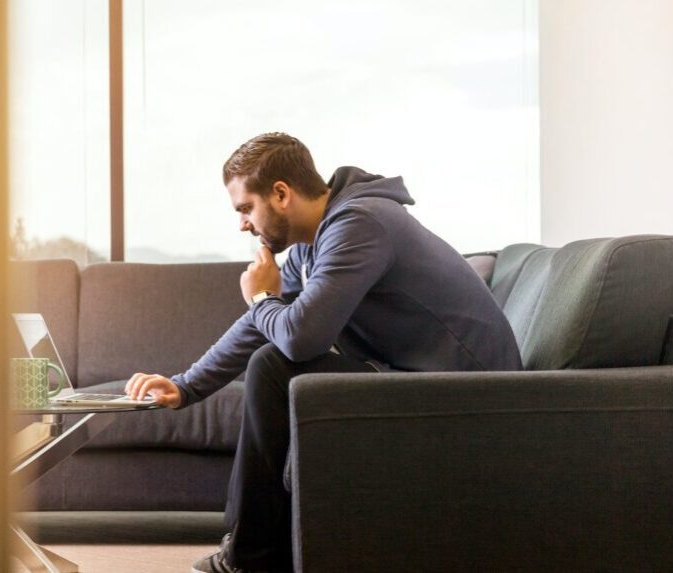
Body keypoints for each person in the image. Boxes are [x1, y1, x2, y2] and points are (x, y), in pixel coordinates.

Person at [125, 132, 522, 573]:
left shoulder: (360, 224)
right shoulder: (315, 245)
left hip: (474, 395)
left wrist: (261, 299)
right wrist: (185, 386)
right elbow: (258, 328)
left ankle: (251, 556)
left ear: (280, 193)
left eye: (245, 209)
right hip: (415, 378)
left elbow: (299, 338)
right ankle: (252, 551)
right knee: (271, 360)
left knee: (276, 366)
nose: (242, 225)